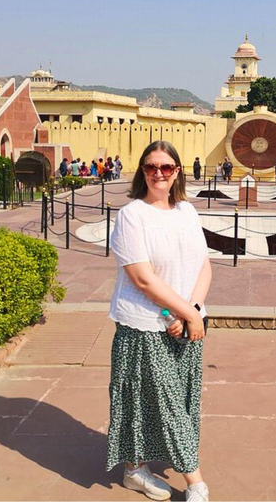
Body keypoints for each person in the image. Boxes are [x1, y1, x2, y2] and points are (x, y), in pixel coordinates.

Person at [107, 140, 211, 502]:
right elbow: (143, 280)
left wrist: (192, 311)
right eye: (151, 167)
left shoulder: (186, 211)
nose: (158, 174)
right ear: (142, 171)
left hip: (187, 326)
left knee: (173, 402)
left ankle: (135, 469)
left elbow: (203, 265)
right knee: (162, 404)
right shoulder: (132, 215)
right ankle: (196, 483)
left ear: (177, 171)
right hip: (145, 326)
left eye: (166, 167)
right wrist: (182, 312)